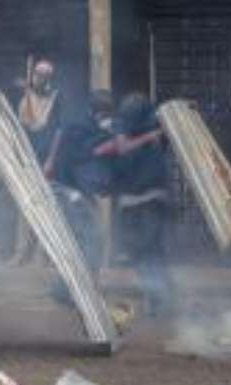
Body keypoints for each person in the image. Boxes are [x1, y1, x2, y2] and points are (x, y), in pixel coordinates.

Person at [95, 92, 175, 318]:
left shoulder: (156, 127)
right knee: (142, 253)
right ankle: (159, 297)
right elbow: (117, 148)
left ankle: (160, 299)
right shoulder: (124, 128)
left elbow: (120, 148)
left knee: (151, 252)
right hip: (133, 202)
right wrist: (149, 137)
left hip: (151, 199)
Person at [48, 90, 116, 303]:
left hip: (76, 190)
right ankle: (78, 289)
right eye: (104, 112)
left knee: (84, 239)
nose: (106, 117)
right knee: (90, 238)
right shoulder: (82, 128)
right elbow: (80, 156)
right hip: (68, 190)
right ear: (97, 111)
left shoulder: (86, 127)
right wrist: (104, 143)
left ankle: (69, 288)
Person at [10, 58, 65, 266]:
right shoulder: (23, 94)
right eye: (38, 74)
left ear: (50, 78)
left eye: (45, 75)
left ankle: (44, 254)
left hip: (45, 159)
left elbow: (59, 131)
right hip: (26, 157)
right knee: (24, 204)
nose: (40, 78)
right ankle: (21, 252)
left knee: (47, 204)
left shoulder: (56, 98)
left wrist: (51, 159)